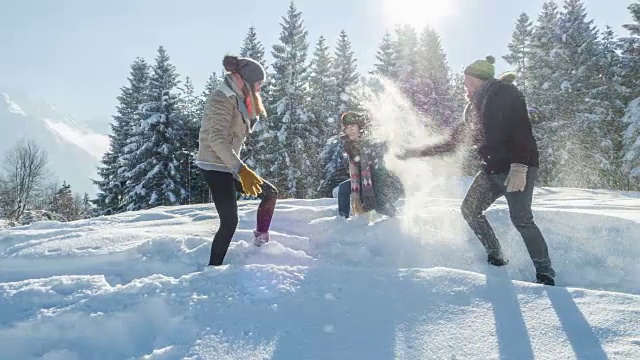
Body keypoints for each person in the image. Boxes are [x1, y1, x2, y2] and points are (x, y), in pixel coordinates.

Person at [396, 55, 556, 286]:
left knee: (522, 219)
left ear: (478, 80)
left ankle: (545, 272)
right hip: (491, 171)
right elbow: (452, 143)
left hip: (516, 168)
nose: (464, 86)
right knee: (470, 210)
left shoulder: (506, 94)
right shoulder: (473, 110)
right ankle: (496, 255)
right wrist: (414, 153)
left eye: (467, 81)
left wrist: (520, 166)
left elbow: (522, 130)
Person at [196, 54, 278, 266]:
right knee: (230, 222)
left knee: (269, 193)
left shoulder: (239, 97)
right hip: (214, 166)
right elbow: (216, 138)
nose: (260, 89)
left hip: (227, 165)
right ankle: (213, 269)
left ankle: (261, 244)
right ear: (247, 81)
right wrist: (241, 170)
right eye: (258, 84)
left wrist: (237, 168)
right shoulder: (222, 98)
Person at [338, 111, 403, 219]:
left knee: (380, 205)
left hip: (386, 182)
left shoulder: (371, 142)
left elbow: (381, 165)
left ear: (360, 127)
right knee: (344, 188)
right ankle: (342, 220)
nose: (350, 130)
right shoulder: (349, 146)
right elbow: (352, 171)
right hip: (367, 181)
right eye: (347, 127)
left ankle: (393, 223)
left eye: (353, 126)